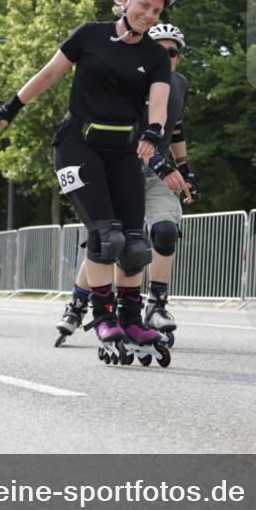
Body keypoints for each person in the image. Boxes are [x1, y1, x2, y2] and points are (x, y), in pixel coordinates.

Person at [0, 0, 176, 367]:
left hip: (122, 151)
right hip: (77, 147)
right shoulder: (88, 35)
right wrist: (8, 110)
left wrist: (153, 133)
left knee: (135, 244)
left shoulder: (155, 56)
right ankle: (103, 318)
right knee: (106, 237)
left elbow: (159, 102)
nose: (149, 15)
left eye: (156, 10)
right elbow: (50, 73)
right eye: (143, 5)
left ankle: (132, 320)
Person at [55, 22, 199, 348]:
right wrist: (162, 166)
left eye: (172, 52)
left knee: (161, 233)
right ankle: (80, 304)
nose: (165, 57)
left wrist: (186, 167)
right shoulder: (133, 77)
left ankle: (154, 306)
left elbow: (174, 127)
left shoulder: (179, 84)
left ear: (179, 57)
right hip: (125, 166)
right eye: (158, 50)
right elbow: (131, 132)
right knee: (111, 241)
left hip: (158, 173)